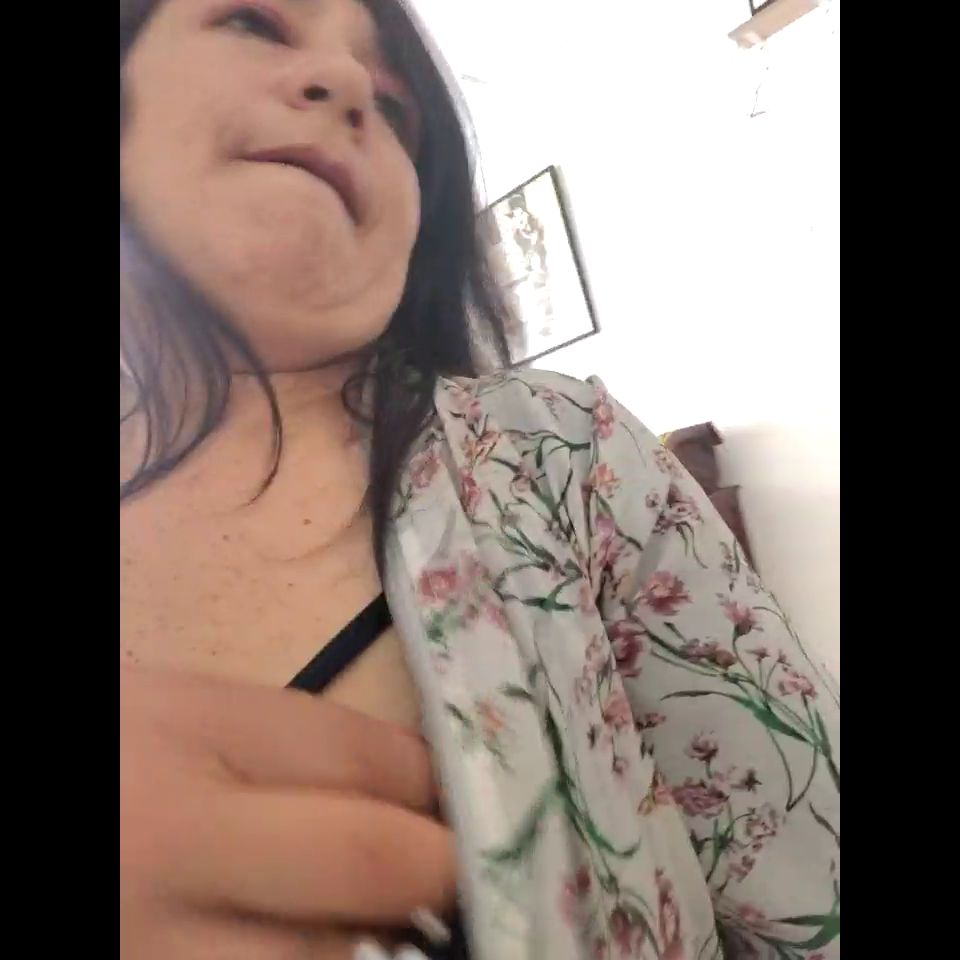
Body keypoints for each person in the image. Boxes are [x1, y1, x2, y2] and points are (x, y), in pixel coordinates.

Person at [119, 2, 840, 959]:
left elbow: (811, 899)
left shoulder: (565, 455)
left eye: (395, 109)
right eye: (254, 22)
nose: (346, 85)